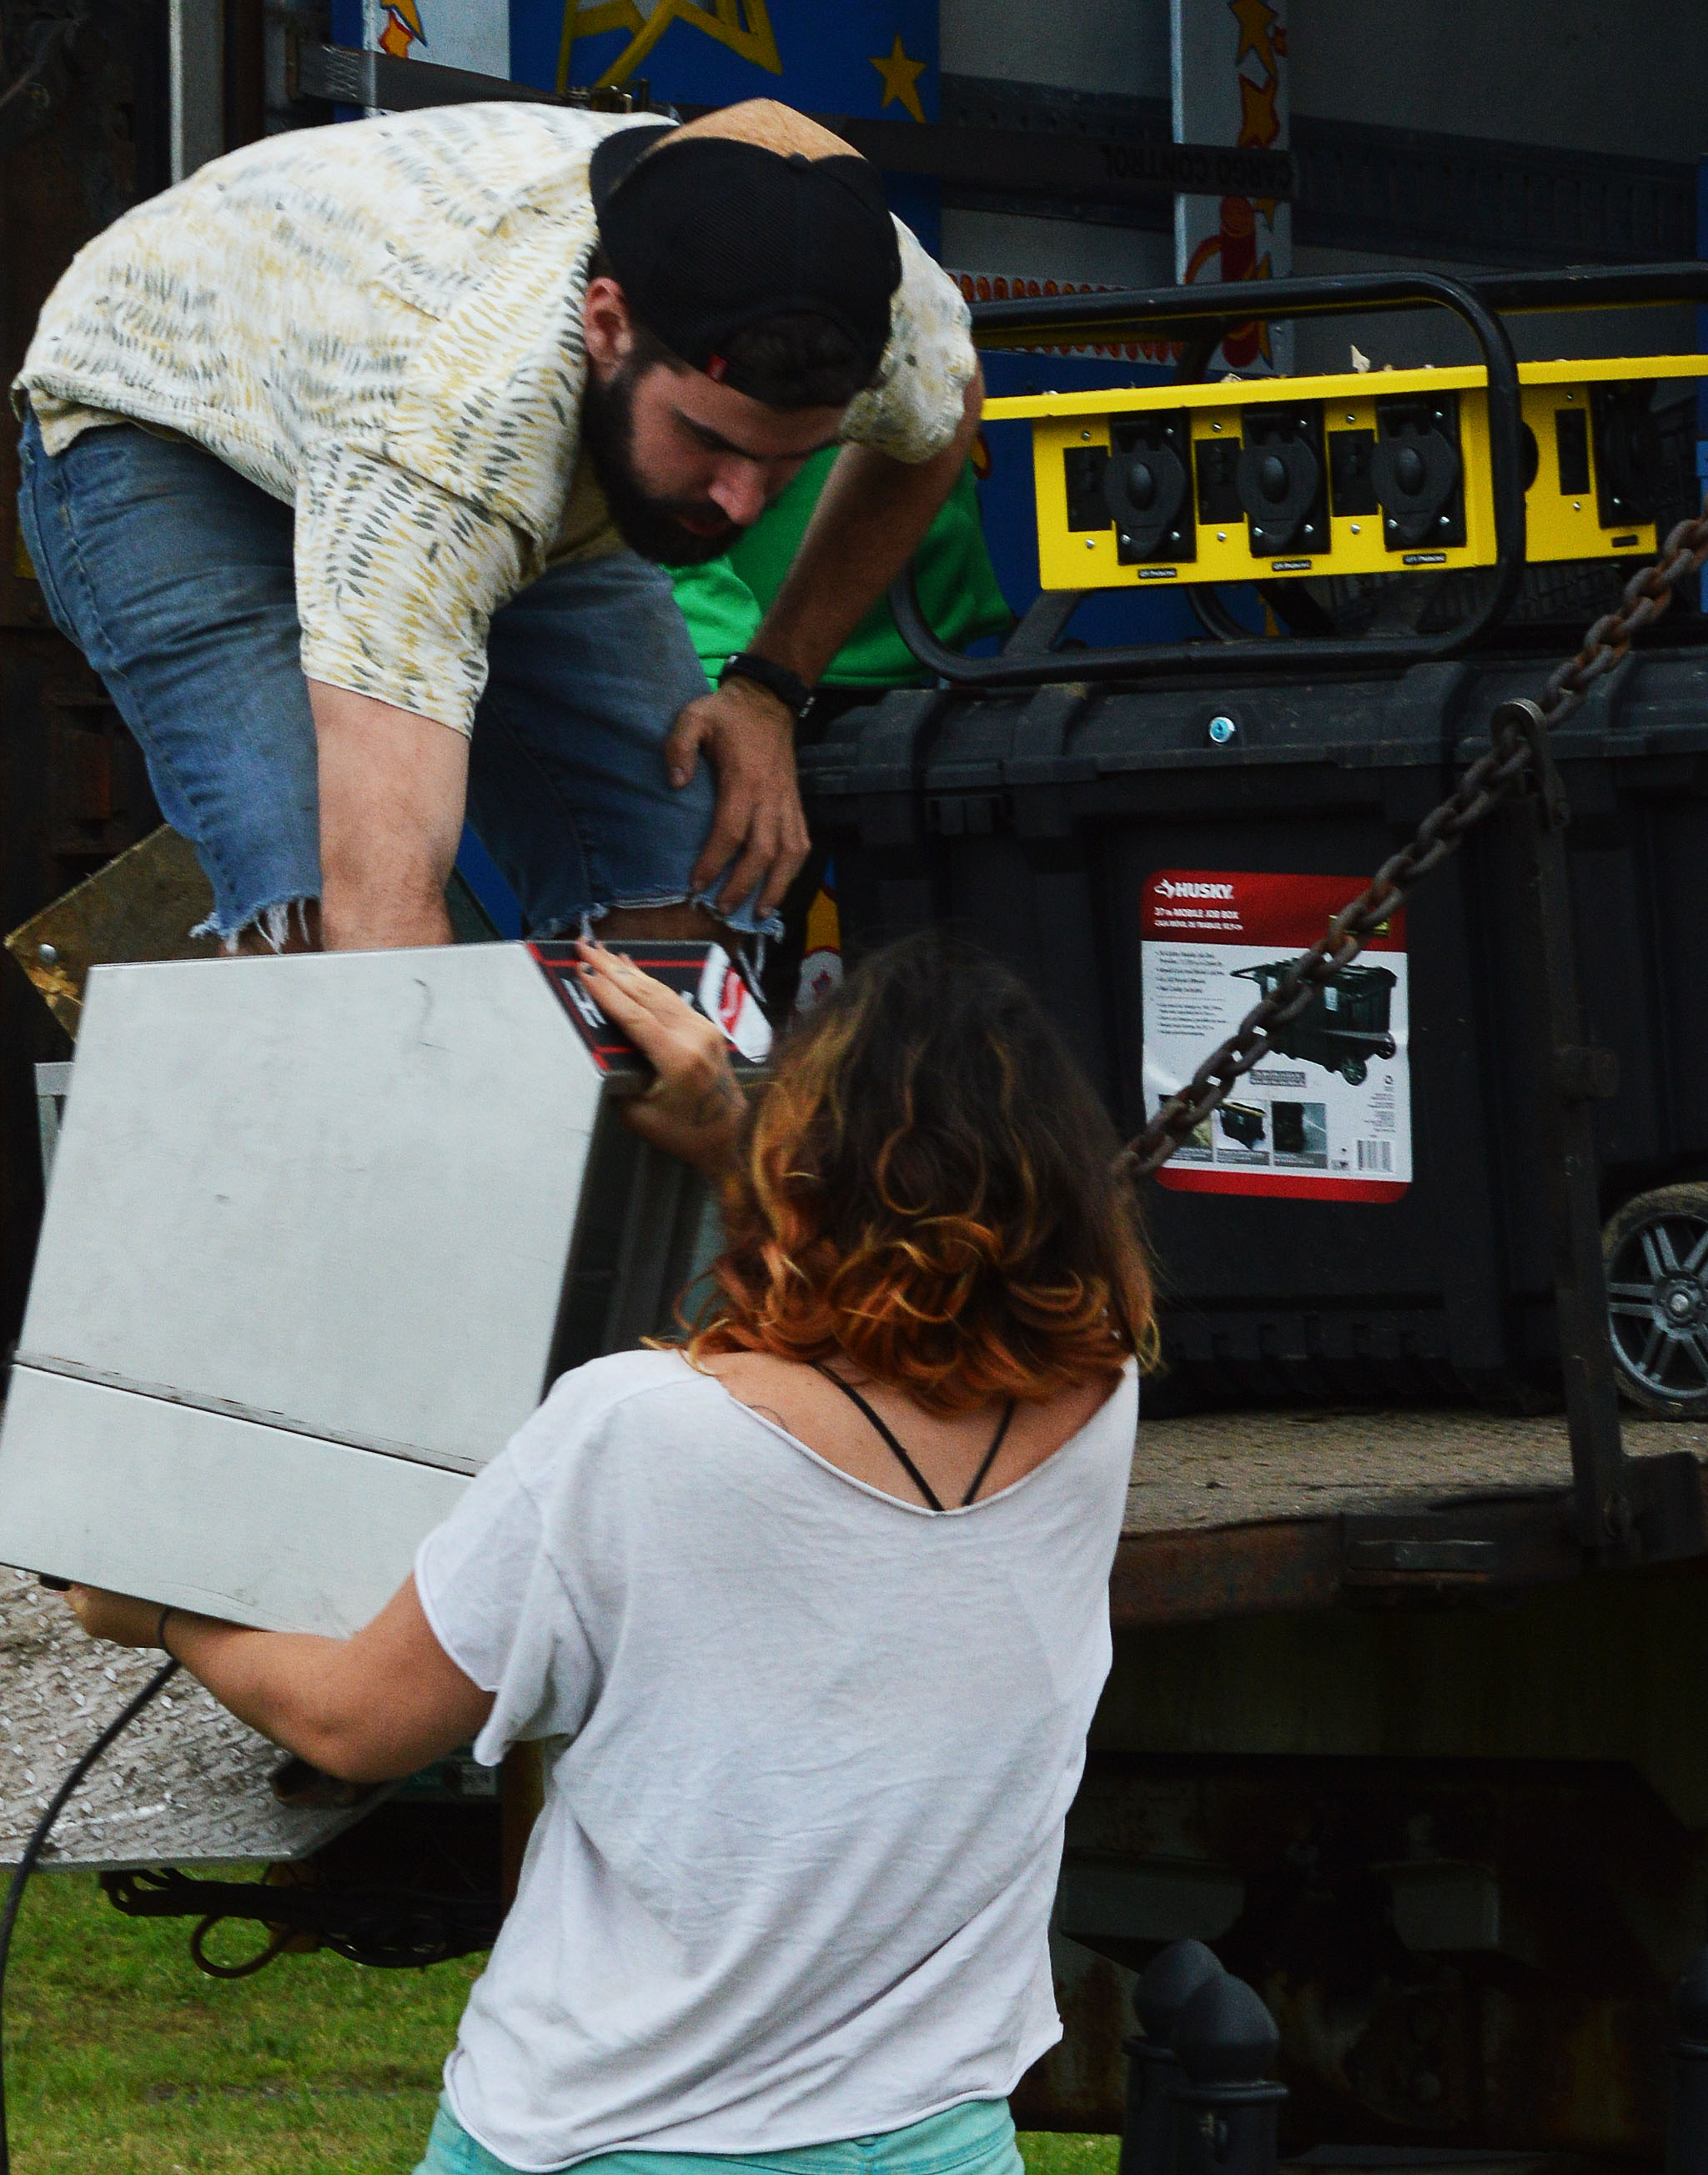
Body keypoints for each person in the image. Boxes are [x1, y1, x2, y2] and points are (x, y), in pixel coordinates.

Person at [65, 928, 1153, 2175]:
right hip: (933, 2141)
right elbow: (913, 1314)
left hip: (600, 2137)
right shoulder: (1095, 1405)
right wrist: (732, 1146)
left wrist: (155, 1612)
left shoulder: (633, 1426)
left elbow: (357, 1720)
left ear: (806, 1165)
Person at [14, 99, 981, 953]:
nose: (739, 500)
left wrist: (771, 688)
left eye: (785, 459)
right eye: (707, 440)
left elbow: (942, 420)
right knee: (309, 923)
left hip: (438, 417)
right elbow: (382, 918)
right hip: (171, 414)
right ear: (607, 326)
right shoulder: (454, 423)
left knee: (686, 894)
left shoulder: (902, 323)